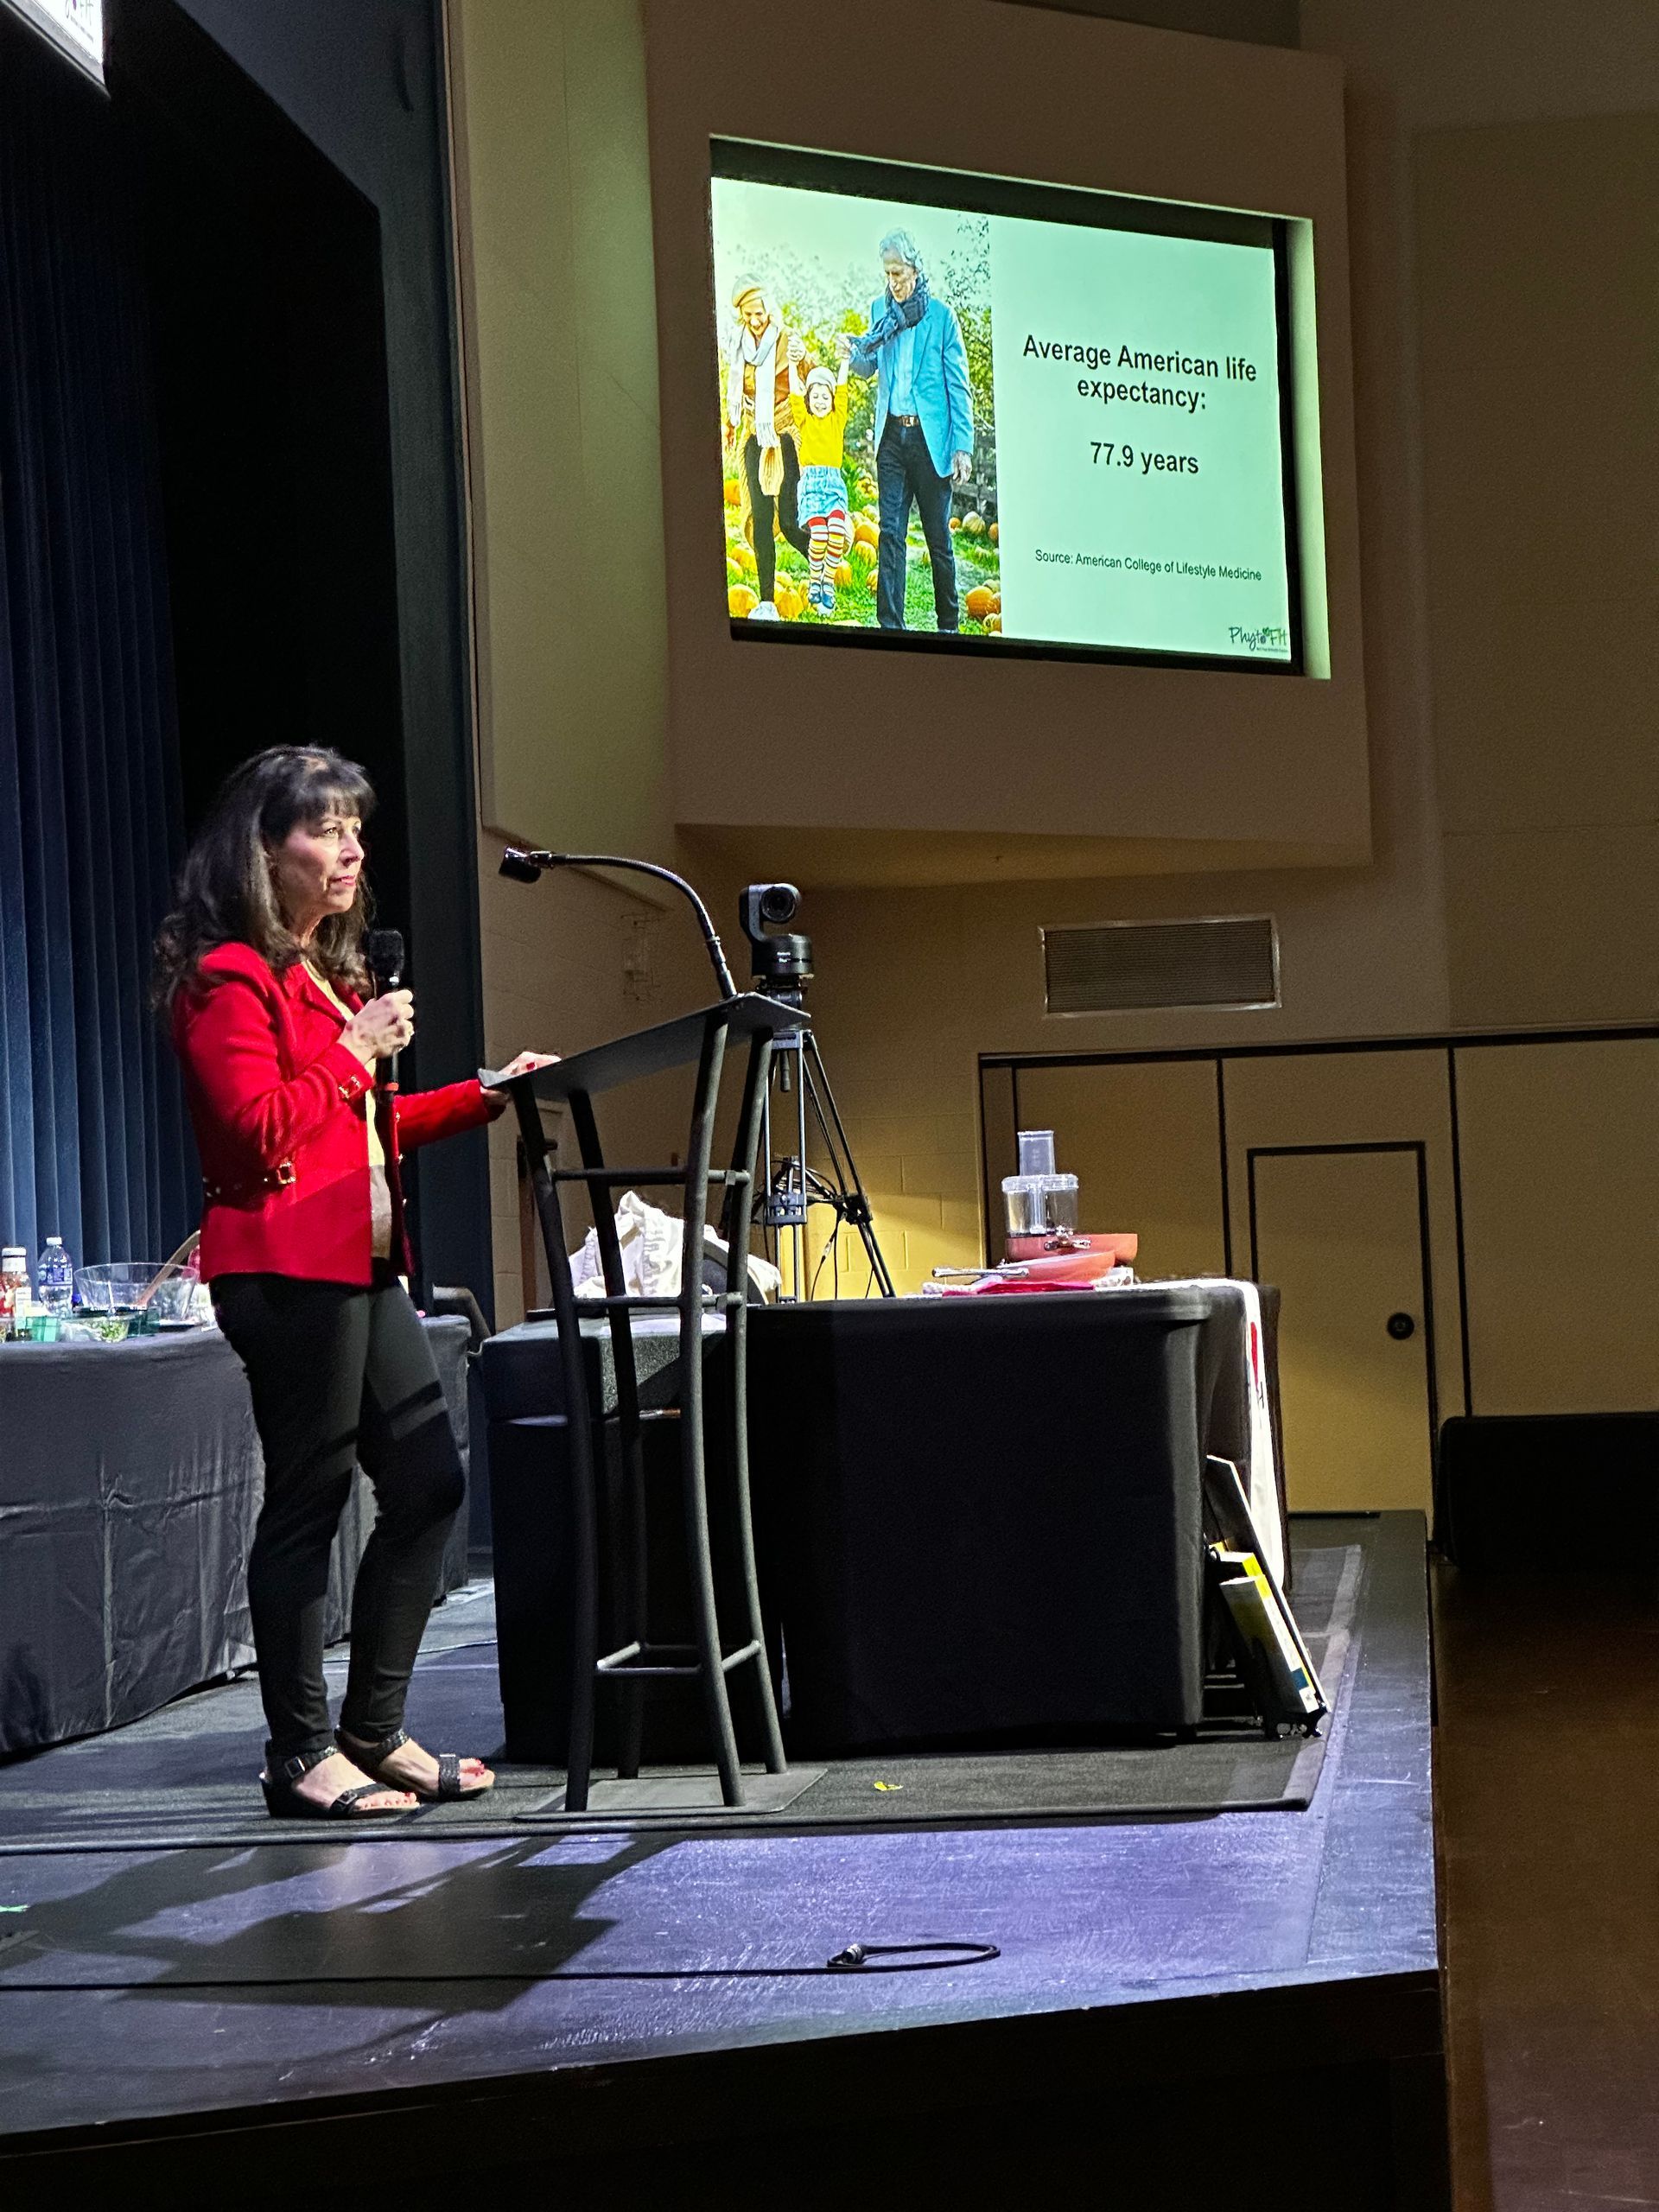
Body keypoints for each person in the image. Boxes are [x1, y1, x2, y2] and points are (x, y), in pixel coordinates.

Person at [156, 747, 553, 1819]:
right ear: (265, 850)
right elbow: (254, 1134)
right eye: (326, 829)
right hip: (284, 1268)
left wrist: (481, 1093)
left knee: (429, 1484)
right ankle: (299, 1753)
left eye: (353, 828)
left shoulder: (312, 979)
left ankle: (372, 1731)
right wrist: (353, 1046)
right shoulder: (224, 977)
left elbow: (358, 1133)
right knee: (310, 1500)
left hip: (365, 1265)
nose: (352, 848)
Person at [847, 228, 975, 632]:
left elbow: (958, 385)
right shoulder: (877, 313)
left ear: (915, 270)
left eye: (899, 273)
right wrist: (853, 355)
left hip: (929, 440)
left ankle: (948, 626)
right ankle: (891, 628)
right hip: (891, 440)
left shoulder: (941, 317)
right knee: (890, 534)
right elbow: (870, 369)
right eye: (887, 274)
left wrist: (962, 446)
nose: (893, 283)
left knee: (939, 540)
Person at [723, 279, 811, 618]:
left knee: (789, 522)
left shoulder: (788, 339)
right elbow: (737, 391)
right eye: (748, 316)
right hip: (753, 433)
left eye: (758, 313)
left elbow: (813, 374)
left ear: (768, 309)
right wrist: (731, 425)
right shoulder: (739, 345)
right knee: (760, 520)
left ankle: (824, 565)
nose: (755, 321)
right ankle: (766, 601)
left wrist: (803, 361)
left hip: (785, 431)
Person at [785, 336, 854, 615]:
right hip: (812, 486)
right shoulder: (805, 420)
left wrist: (845, 361)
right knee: (820, 534)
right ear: (809, 400)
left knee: (836, 530)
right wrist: (791, 364)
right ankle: (815, 580)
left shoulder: (838, 420)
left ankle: (827, 582)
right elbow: (794, 394)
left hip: (834, 485)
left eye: (825, 396)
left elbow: (843, 389)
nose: (821, 401)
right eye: (815, 397)